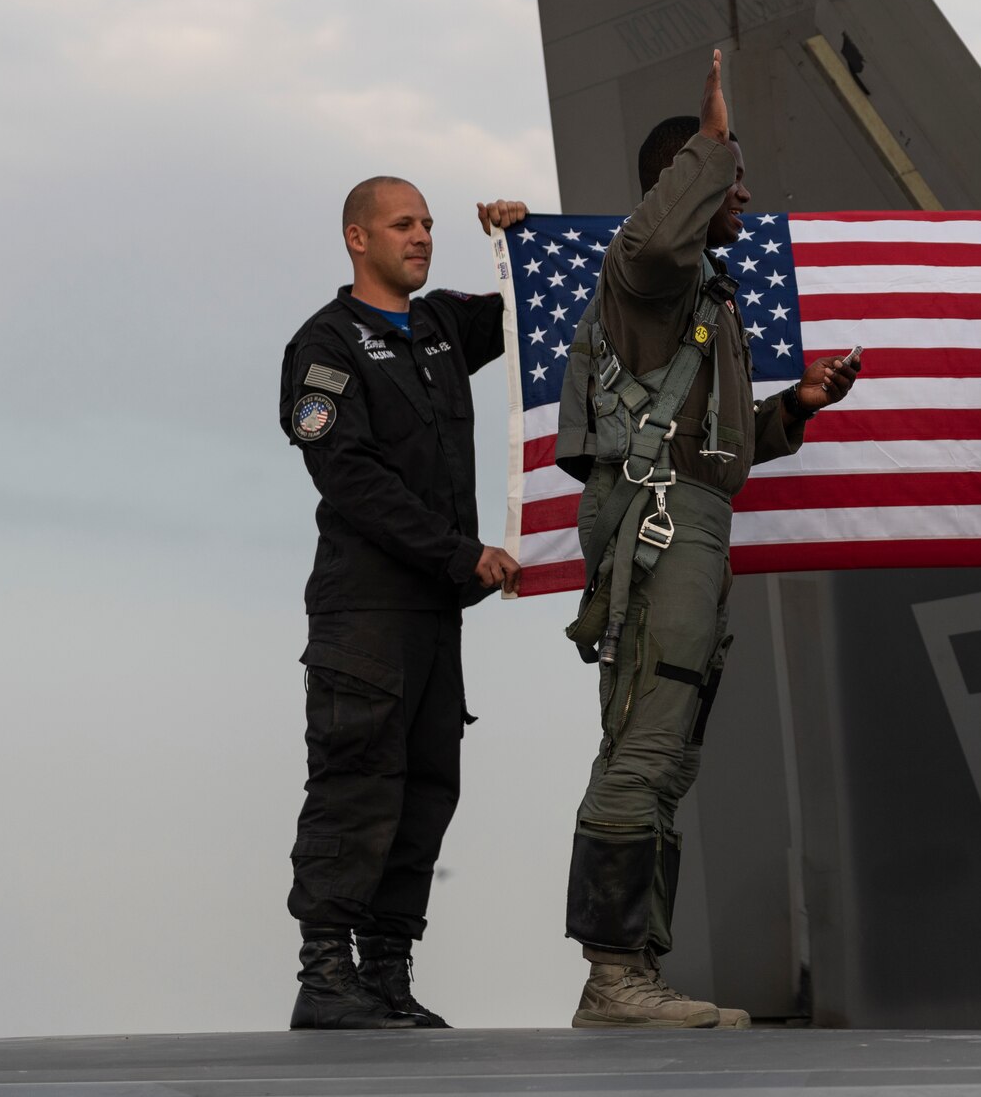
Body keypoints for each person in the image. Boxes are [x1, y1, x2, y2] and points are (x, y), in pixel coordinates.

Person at [555, 50, 859, 1029]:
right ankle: (613, 979)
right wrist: (706, 144)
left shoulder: (702, 300)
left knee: (669, 752)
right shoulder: (648, 275)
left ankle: (634, 967)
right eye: (730, 181)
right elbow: (649, 246)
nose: (745, 195)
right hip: (658, 528)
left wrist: (793, 411)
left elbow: (709, 448)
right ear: (680, 187)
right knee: (644, 746)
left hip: (689, 517)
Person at [277, 176, 528, 1029]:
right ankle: (325, 976)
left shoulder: (439, 326)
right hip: (366, 614)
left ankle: (385, 971)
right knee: (358, 783)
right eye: (402, 224)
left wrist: (516, 243)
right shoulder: (325, 346)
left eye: (426, 222)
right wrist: (463, 554)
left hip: (434, 615)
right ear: (358, 238)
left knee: (426, 788)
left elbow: (537, 314)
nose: (422, 235)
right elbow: (349, 478)